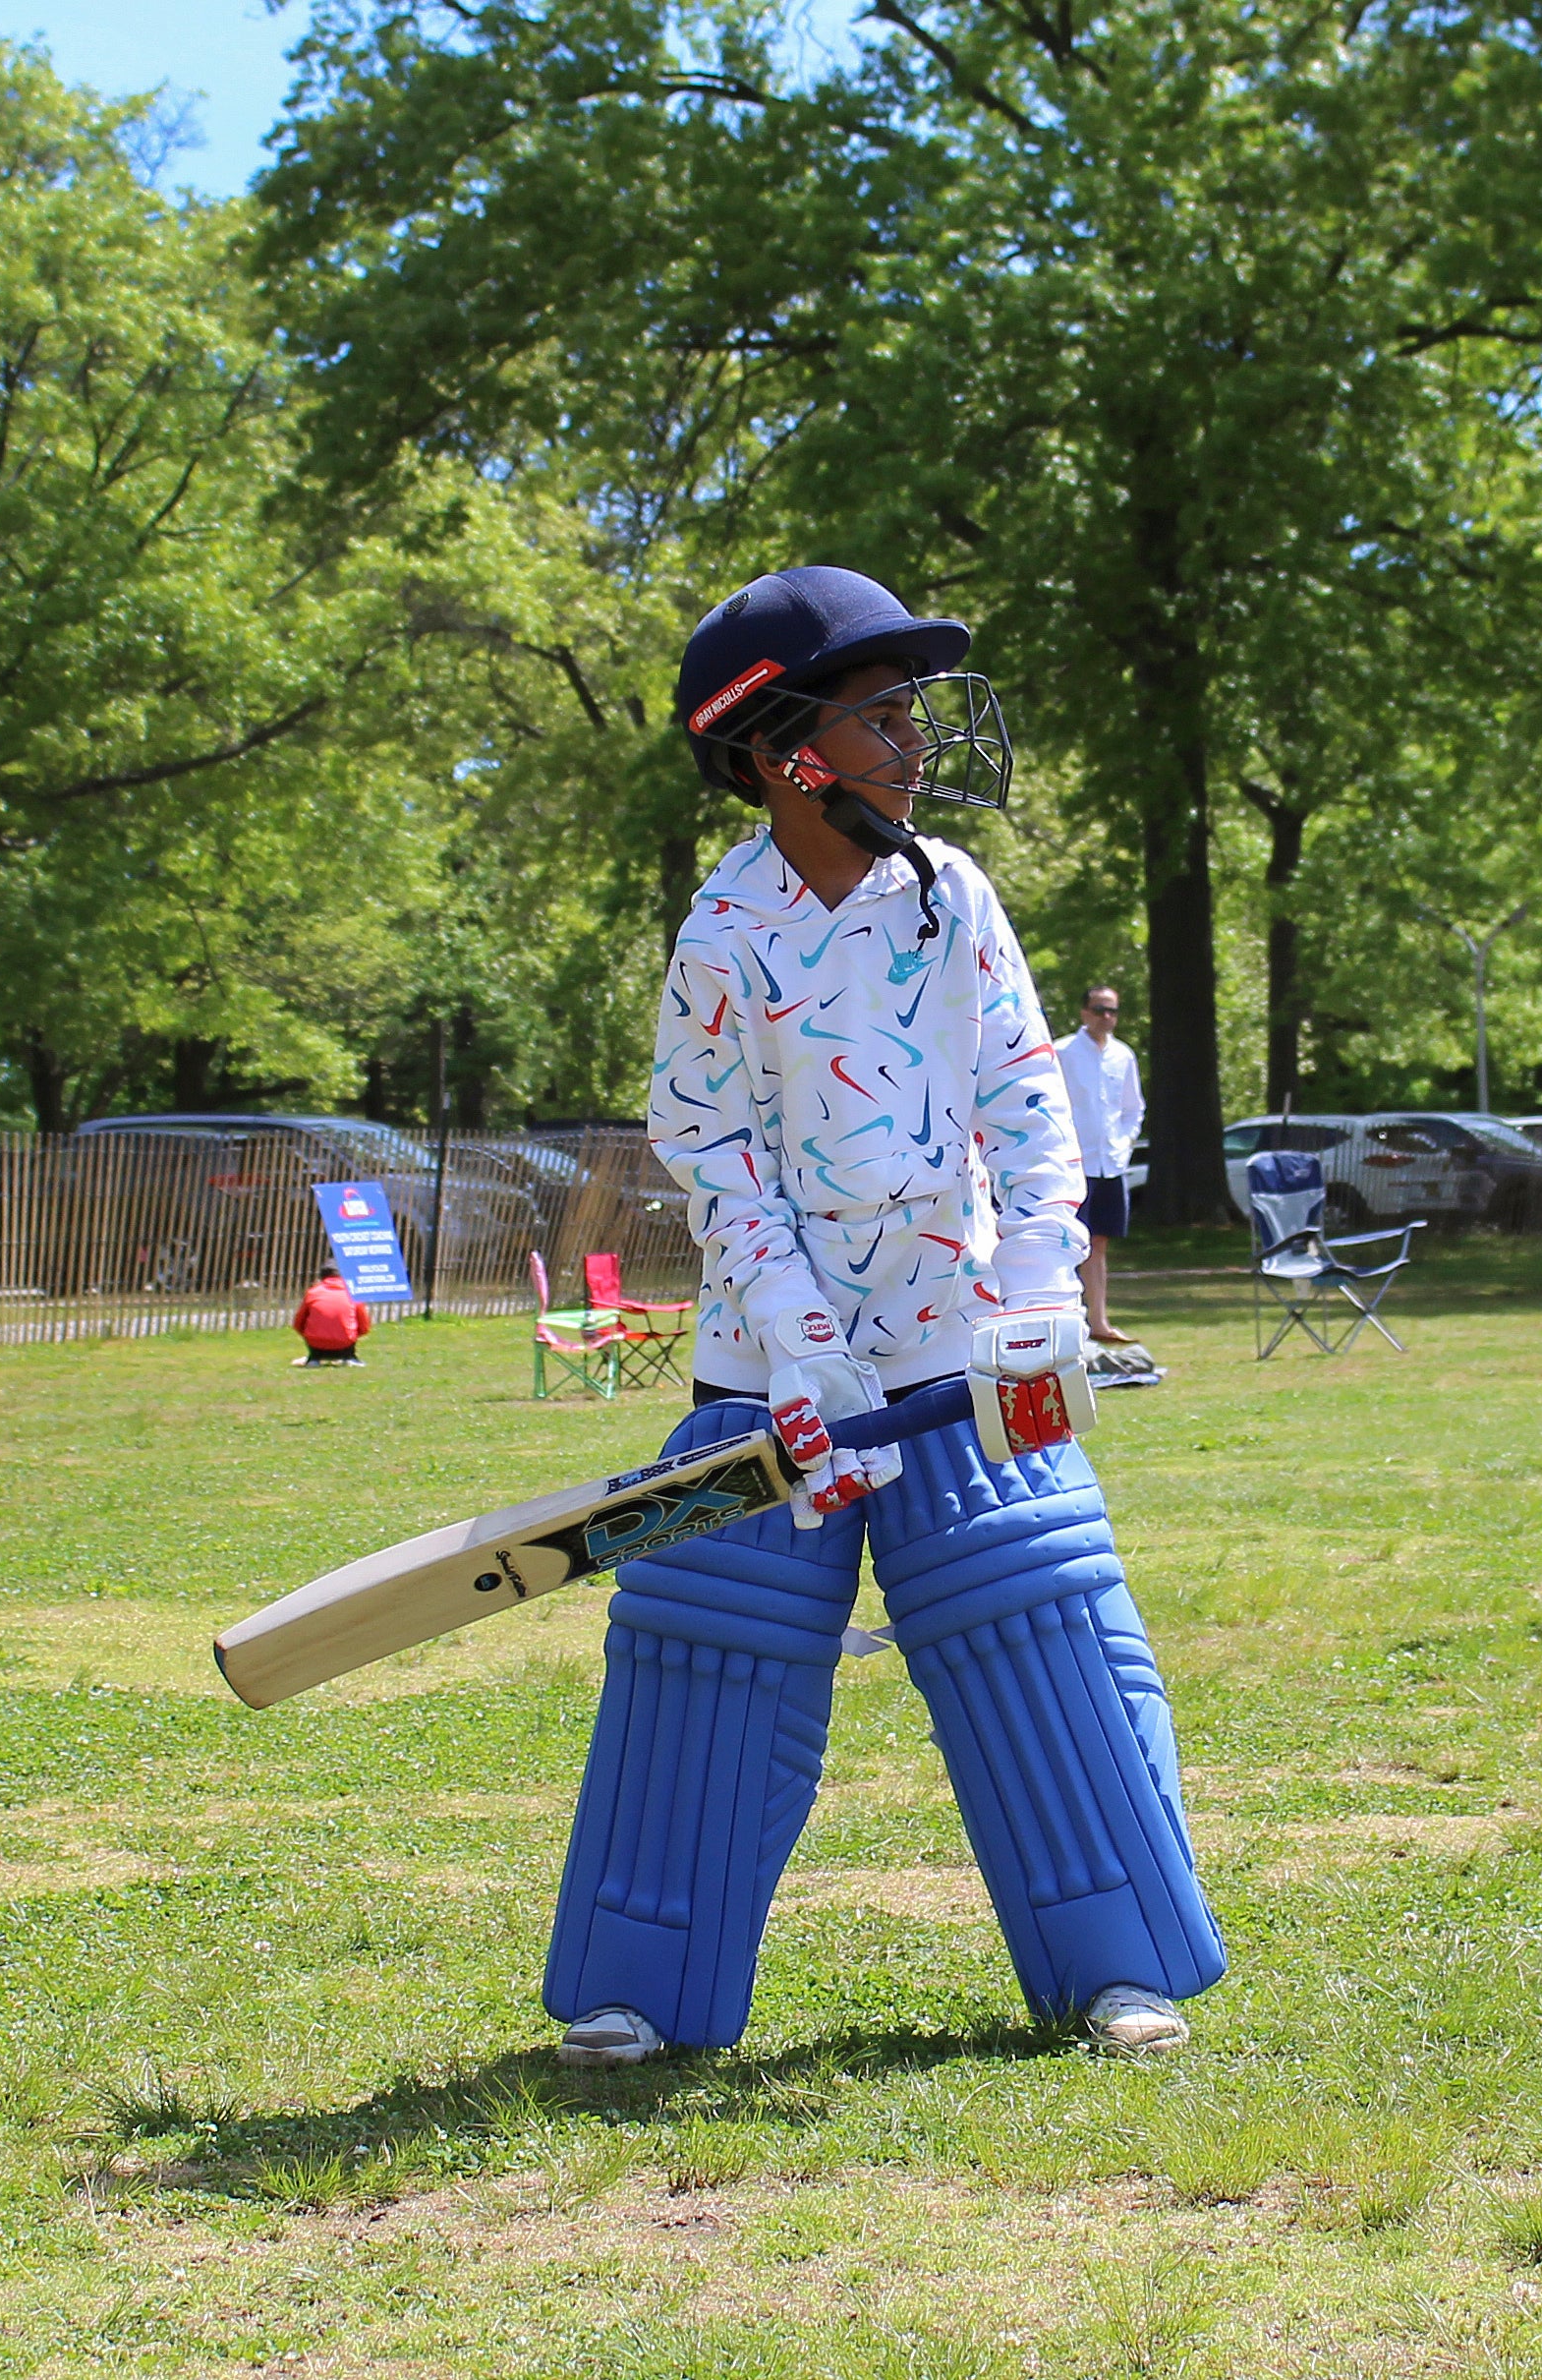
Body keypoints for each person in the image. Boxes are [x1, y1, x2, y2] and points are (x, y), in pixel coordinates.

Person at [545, 564, 1223, 2071]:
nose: (917, 738)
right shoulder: (724, 926)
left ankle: (1116, 1965)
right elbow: (705, 1145)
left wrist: (1042, 1296)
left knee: (1042, 1627)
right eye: (883, 710)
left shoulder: (953, 893)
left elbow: (1020, 1098)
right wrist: (794, 1340)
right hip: (768, 1374)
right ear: (786, 745)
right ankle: (640, 1991)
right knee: (706, 1652)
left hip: (959, 1351)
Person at [1057, 985, 1145, 1346]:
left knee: (1098, 1243)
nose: (1106, 1017)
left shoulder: (1123, 1056)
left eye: (1112, 1011)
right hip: (1072, 1163)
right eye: (1099, 1009)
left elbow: (1132, 1109)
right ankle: (1064, 1321)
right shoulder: (1062, 1053)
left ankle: (1099, 1321)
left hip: (1110, 1163)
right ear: (1084, 1013)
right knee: (1065, 1240)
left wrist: (1123, 1144)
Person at [290, 1263, 371, 1364]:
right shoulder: (353, 1293)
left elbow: (298, 1323)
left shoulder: (313, 1292)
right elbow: (364, 1326)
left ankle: (314, 1359)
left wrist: (308, 1335)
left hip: (316, 1344)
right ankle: (349, 1357)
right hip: (345, 1343)